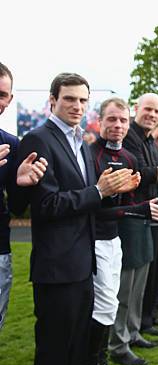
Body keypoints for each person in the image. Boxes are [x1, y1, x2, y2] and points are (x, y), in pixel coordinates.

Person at [17, 72, 133, 365]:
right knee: (54, 349)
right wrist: (98, 191)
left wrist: (112, 193)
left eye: (83, 100)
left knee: (77, 343)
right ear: (52, 100)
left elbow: (87, 201)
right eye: (69, 98)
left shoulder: (81, 142)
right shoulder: (38, 139)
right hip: (56, 265)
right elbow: (46, 205)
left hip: (84, 260)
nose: (77, 106)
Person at [85, 98, 158, 365]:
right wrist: (139, 210)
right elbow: (95, 206)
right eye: (111, 120)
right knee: (102, 306)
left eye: (122, 121)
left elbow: (126, 205)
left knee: (110, 304)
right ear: (100, 121)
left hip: (114, 239)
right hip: (94, 241)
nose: (117, 125)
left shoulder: (126, 156)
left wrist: (149, 210)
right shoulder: (90, 155)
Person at [0, 61, 48, 332]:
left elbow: (17, 207)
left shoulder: (11, 144)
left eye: (2, 94)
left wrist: (23, 184)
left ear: (10, 98)